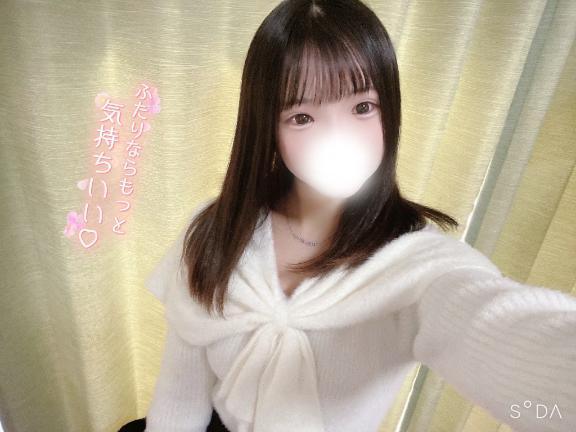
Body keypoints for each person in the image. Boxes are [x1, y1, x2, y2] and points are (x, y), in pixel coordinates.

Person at [137, 0, 576, 431]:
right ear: (266, 127)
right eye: (302, 116)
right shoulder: (215, 232)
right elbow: (179, 398)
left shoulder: (415, 264)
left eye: (362, 107)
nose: (338, 138)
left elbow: (494, 321)